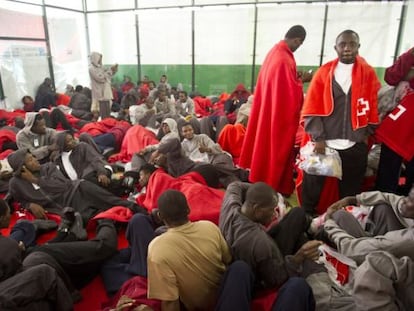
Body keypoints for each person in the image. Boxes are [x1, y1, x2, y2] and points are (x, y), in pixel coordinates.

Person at [300, 29, 380, 216]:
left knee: (350, 190)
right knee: (312, 186)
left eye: (352, 44)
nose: (347, 48)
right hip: (325, 143)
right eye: (343, 44)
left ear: (358, 47)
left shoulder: (367, 73)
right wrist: (318, 138)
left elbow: (374, 104)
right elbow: (311, 107)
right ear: (335, 47)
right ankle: (306, 218)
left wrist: (366, 131)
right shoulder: (324, 73)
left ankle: (345, 220)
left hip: (355, 144)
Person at [7, 148, 146, 241]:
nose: (35, 160)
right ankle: (124, 223)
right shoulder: (15, 183)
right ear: (22, 167)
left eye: (33, 157)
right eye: (30, 160)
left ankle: (139, 209)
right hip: (66, 206)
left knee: (111, 200)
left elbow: (62, 186)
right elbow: (19, 199)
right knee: (93, 217)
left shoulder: (47, 167)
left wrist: (36, 180)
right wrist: (29, 204)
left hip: (78, 189)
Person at [219, 181, 318, 310]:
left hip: (247, 253)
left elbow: (234, 185)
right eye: (272, 209)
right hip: (262, 273)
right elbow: (278, 278)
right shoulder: (262, 243)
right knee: (298, 216)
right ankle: (314, 229)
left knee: (296, 216)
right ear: (257, 210)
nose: (274, 213)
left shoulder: (230, 208)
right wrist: (297, 258)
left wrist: (267, 194)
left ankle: (309, 230)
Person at [239, 25, 309, 196]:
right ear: (297, 40)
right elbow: (289, 94)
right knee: (274, 152)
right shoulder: (284, 58)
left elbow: (282, 84)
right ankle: (271, 188)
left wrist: (295, 78)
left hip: (267, 112)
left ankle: (261, 183)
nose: (298, 47)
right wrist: (304, 81)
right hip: (277, 117)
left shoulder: (274, 53)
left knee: (263, 149)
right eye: (299, 44)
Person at [0, 199, 74, 310]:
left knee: (38, 256)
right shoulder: (8, 246)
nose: (10, 215)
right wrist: (17, 249)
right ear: (2, 218)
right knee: (45, 272)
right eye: (8, 213)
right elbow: (14, 269)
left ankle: (73, 295)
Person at [375, 47, 414, 196]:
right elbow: (391, 77)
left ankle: (405, 206)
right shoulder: (410, 55)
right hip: (401, 120)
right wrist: (409, 56)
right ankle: (382, 204)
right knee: (388, 168)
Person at [181, 122, 248, 187]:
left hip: (216, 157)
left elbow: (217, 149)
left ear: (193, 130)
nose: (188, 132)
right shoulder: (182, 146)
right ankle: (241, 184)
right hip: (204, 166)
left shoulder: (202, 137)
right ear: (181, 133)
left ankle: (243, 176)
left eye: (190, 130)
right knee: (221, 175)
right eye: (185, 131)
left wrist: (206, 149)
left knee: (217, 166)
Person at [89, 51, 118, 118]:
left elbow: (108, 75)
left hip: (105, 91)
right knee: (99, 110)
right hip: (99, 92)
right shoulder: (91, 69)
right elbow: (101, 78)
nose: (100, 60)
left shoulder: (101, 67)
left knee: (107, 109)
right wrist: (110, 70)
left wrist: (113, 70)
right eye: (99, 58)